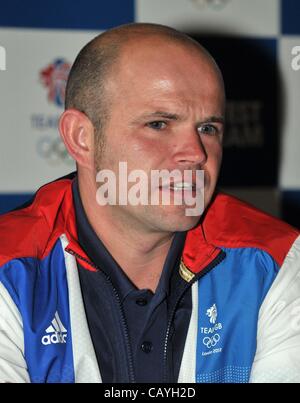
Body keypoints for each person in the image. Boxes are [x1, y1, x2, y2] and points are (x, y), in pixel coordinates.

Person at [0, 23, 299, 384]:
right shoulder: (10, 268)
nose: (195, 153)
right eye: (158, 124)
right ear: (82, 138)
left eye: (208, 128)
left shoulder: (274, 260)